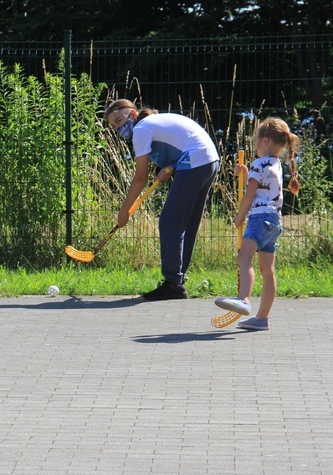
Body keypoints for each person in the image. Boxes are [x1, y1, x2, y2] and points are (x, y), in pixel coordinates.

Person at [105, 99, 220, 300]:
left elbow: (140, 177)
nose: (119, 127)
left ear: (132, 114)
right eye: (114, 126)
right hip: (209, 160)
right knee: (186, 223)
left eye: (119, 120)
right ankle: (177, 280)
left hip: (195, 160)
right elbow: (183, 142)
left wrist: (124, 211)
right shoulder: (153, 123)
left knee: (169, 221)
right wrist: (172, 167)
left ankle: (173, 283)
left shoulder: (141, 129)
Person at [214, 117, 300, 330]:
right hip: (274, 221)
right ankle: (262, 318)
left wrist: (240, 215)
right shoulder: (275, 163)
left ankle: (243, 299)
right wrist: (245, 173)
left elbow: (251, 193)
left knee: (244, 256)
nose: (255, 146)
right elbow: (264, 186)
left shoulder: (259, 163)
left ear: (264, 140)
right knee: (268, 270)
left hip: (259, 218)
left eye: (255, 142)